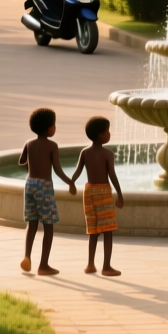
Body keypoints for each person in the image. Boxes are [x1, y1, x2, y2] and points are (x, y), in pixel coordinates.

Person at [18, 106, 74, 276]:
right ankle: (43, 265)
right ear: (49, 127)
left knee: (32, 223)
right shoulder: (52, 146)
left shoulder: (29, 143)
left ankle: (27, 256)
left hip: (30, 185)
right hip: (44, 187)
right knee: (48, 226)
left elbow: (21, 162)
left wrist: (31, 163)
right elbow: (57, 170)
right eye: (54, 124)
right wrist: (70, 182)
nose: (55, 128)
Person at [69, 115, 124, 276]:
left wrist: (71, 183)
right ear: (100, 135)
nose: (109, 134)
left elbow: (78, 171)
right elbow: (112, 176)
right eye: (107, 131)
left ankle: (90, 264)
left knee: (93, 229)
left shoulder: (85, 152)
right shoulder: (107, 154)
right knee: (108, 229)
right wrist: (119, 194)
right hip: (104, 191)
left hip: (89, 191)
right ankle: (106, 266)